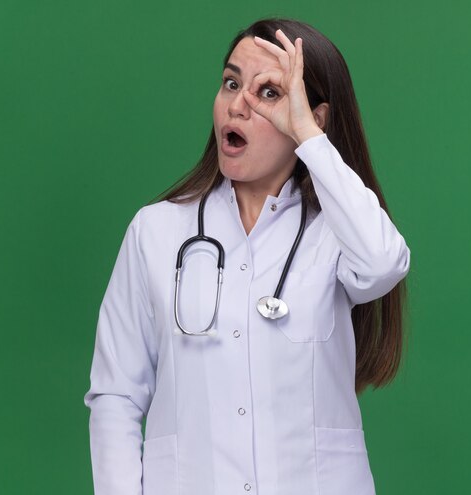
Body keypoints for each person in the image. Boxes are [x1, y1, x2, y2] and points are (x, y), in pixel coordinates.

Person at [84, 18, 410, 495]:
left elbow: (384, 265)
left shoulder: (337, 231)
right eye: (231, 83)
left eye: (270, 94)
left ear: (311, 117)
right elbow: (116, 395)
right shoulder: (155, 231)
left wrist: (308, 138)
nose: (238, 105)